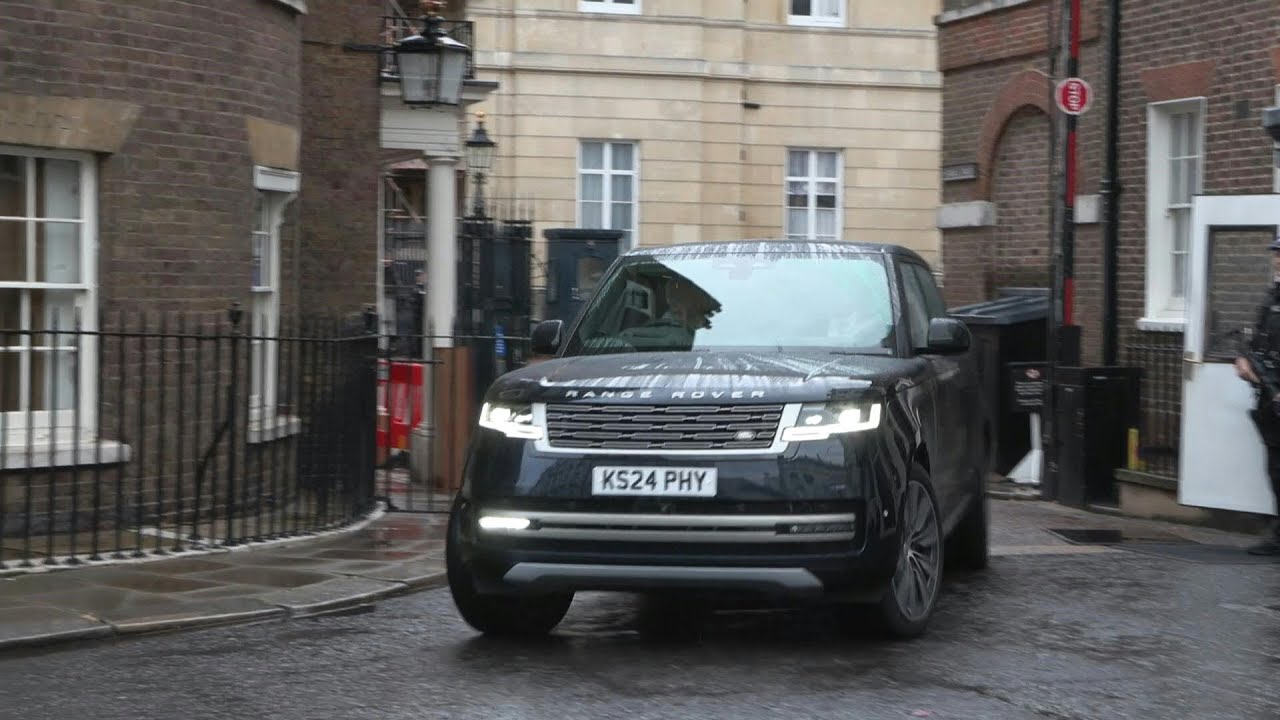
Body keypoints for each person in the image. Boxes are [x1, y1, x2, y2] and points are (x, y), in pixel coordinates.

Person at [1234, 236, 1280, 555]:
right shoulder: (1273, 296)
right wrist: (1246, 361)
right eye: (1276, 254)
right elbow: (1262, 343)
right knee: (1275, 467)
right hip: (1270, 396)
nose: (1277, 260)